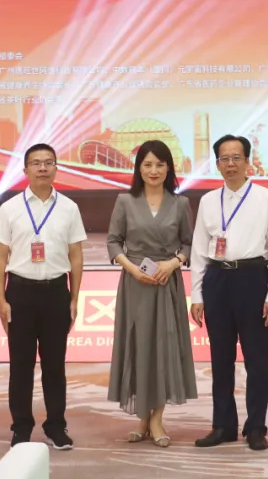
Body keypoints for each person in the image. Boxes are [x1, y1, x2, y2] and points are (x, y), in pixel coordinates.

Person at [190, 134, 268, 451]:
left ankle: (256, 427)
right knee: (220, 359)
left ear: (247, 161)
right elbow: (199, 251)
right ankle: (223, 425)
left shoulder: (266, 198)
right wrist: (197, 295)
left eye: (236, 158)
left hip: (252, 279)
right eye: (224, 159)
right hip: (217, 280)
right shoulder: (207, 201)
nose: (230, 164)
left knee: (256, 359)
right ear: (217, 164)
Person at [0, 143, 85, 451]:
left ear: (56, 168)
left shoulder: (69, 207)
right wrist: (1, 300)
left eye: (48, 162)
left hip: (56, 292)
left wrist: (74, 298)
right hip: (20, 293)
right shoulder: (10, 209)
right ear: (26, 170)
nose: (43, 168)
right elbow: (0, 258)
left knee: (55, 366)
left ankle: (56, 426)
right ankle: (21, 427)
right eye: (36, 163)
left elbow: (76, 255)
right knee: (20, 365)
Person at [106, 140, 197, 447]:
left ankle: (156, 419)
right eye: (147, 164)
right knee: (137, 346)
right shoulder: (125, 201)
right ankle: (142, 418)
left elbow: (188, 244)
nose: (154, 170)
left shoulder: (180, 203)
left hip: (165, 284)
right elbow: (113, 242)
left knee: (163, 349)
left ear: (169, 168)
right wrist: (132, 269)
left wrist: (173, 263)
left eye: (160, 164)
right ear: (139, 168)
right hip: (135, 284)